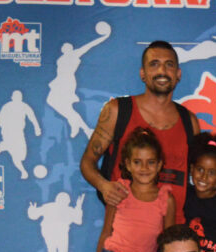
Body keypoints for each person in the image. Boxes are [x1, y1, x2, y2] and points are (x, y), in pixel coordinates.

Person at [80, 40, 199, 216]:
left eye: (169, 65)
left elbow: (202, 174)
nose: (162, 71)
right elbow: (87, 162)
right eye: (154, 64)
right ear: (143, 74)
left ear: (178, 74)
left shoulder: (190, 121)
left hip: (173, 234)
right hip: (126, 231)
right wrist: (104, 186)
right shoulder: (117, 111)